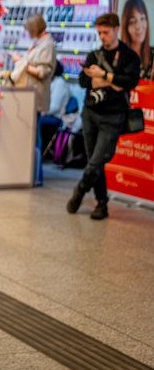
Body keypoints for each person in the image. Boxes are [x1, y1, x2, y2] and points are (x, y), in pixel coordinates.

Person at [67, 12, 141, 220]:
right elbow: (83, 81)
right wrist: (108, 82)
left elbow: (129, 81)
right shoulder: (94, 55)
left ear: (117, 29)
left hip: (113, 116)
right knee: (94, 160)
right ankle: (101, 203)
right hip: (91, 113)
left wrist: (103, 76)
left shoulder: (128, 56)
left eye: (106, 33)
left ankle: (80, 189)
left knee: (97, 160)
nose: (102, 37)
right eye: (99, 33)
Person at [10, 14, 57, 185]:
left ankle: (35, 176)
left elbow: (42, 72)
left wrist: (21, 63)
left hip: (35, 97)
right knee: (30, 135)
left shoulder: (48, 45)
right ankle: (29, 173)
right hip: (28, 95)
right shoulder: (38, 43)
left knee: (35, 137)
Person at [120, 0, 152, 80]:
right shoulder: (118, 55)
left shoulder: (152, 54)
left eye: (142, 19)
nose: (138, 26)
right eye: (132, 21)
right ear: (126, 26)